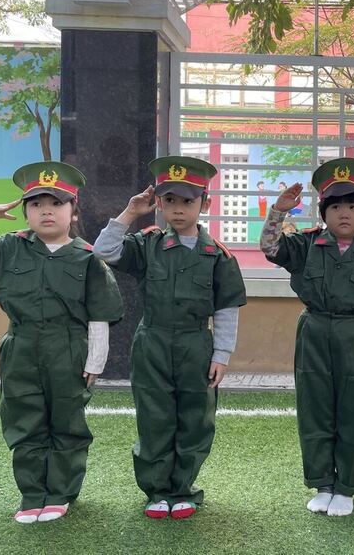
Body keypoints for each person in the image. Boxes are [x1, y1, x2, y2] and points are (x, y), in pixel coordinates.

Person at [0, 161, 123, 524]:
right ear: (25, 211)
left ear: (73, 212)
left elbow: (99, 315)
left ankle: (59, 493)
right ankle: (32, 495)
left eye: (57, 203)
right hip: (21, 347)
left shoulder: (88, 258)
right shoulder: (10, 248)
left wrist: (95, 361)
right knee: (23, 420)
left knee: (67, 423)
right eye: (36, 204)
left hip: (67, 349)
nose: (46, 211)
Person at [93, 156, 246, 520]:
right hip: (153, 343)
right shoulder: (148, 245)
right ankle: (158, 491)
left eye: (188, 201)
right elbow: (103, 251)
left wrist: (221, 354)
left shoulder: (218, 256)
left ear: (204, 203)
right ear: (159, 203)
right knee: (154, 417)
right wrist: (130, 213)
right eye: (170, 200)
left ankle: (182, 489)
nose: (178, 209)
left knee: (195, 420)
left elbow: (226, 308)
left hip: (196, 345)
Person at [260, 158, 354, 517]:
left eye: (353, 206)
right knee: (315, 409)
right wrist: (278, 211)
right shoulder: (307, 245)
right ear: (324, 212)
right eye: (336, 206)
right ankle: (323, 483)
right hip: (315, 331)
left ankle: (347, 488)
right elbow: (270, 248)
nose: (344, 213)